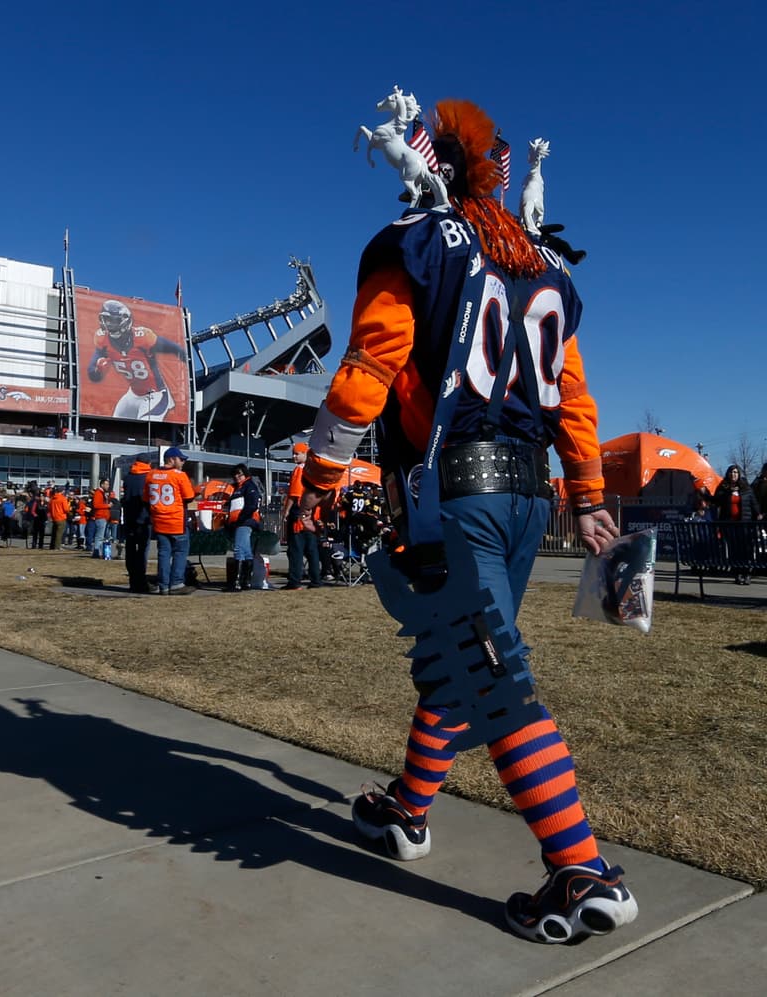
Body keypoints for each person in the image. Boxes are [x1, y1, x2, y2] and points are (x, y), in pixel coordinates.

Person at [297, 98, 637, 944]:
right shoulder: (546, 264)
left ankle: (581, 870)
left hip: (460, 495)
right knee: (464, 658)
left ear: (429, 166)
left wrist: (321, 473)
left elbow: (368, 366)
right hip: (529, 498)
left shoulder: (414, 246)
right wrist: (588, 497)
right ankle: (407, 810)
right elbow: (576, 398)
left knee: (495, 676)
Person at [85, 300, 186, 419]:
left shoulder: (143, 337)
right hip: (132, 394)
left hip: (155, 394)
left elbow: (175, 348)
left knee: (146, 425)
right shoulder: (102, 339)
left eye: (113, 320)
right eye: (106, 320)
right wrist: (99, 371)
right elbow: (92, 374)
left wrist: (185, 368)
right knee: (114, 424)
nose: (109, 324)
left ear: (125, 320)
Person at [145, 446, 196, 594]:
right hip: (176, 520)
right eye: (181, 459)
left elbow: (146, 499)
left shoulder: (151, 475)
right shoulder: (179, 475)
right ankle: (176, 583)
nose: (183, 462)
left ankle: (163, 584)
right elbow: (189, 497)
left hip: (159, 521)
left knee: (163, 554)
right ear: (172, 459)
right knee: (180, 552)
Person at [281, 442, 323, 589]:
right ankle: (316, 580)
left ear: (305, 454)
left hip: (299, 513)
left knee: (295, 550)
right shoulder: (315, 470)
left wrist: (286, 511)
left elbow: (294, 494)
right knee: (312, 550)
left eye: (297, 453)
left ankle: (294, 581)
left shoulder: (299, 470)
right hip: (312, 514)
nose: (294, 456)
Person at [711, 464, 762, 584]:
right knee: (734, 550)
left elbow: (754, 504)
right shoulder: (723, 487)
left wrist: (758, 514)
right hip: (730, 524)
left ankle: (747, 573)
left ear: (739, 474)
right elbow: (716, 500)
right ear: (728, 474)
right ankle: (737, 573)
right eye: (731, 472)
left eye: (735, 472)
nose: (733, 474)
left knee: (746, 550)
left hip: (745, 524)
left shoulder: (746, 488)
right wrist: (704, 494)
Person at [224, 464, 262, 591]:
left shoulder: (249, 486)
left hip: (245, 521)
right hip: (240, 522)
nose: (237, 477)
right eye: (235, 475)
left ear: (245, 474)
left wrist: (240, 519)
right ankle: (245, 582)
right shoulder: (237, 488)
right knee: (246, 551)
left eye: (239, 474)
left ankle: (237, 582)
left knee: (239, 549)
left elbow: (251, 505)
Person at [121, 455, 154, 593]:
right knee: (142, 550)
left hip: (129, 518)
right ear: (149, 463)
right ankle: (141, 581)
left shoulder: (128, 477)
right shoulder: (149, 477)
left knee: (130, 549)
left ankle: (133, 580)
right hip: (144, 518)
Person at [89, 477, 112, 558]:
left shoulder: (102, 493)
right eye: (106, 484)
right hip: (100, 516)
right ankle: (96, 552)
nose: (108, 486)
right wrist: (107, 505)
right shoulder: (98, 493)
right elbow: (96, 505)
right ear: (102, 484)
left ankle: (100, 552)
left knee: (102, 536)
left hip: (103, 516)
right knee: (99, 536)